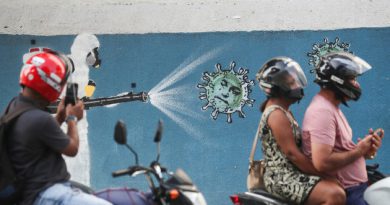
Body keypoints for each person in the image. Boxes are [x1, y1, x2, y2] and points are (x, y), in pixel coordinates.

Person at [4, 48, 112, 205]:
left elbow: (40, 135)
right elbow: (72, 149)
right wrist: (72, 118)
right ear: (53, 84)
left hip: (32, 191)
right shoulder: (39, 118)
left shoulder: (16, 108)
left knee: (91, 193)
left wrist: (60, 117)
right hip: (46, 192)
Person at [256, 57, 345, 205]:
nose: (297, 86)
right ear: (278, 88)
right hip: (283, 178)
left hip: (293, 173)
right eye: (291, 83)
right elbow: (293, 155)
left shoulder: (283, 111)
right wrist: (323, 176)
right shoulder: (276, 114)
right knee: (334, 195)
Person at [301, 52, 384, 205]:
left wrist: (364, 152)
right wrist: (358, 151)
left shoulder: (331, 108)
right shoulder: (322, 112)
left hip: (357, 189)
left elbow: (339, 152)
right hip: (349, 193)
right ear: (337, 81)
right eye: (352, 79)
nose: (356, 85)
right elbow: (322, 162)